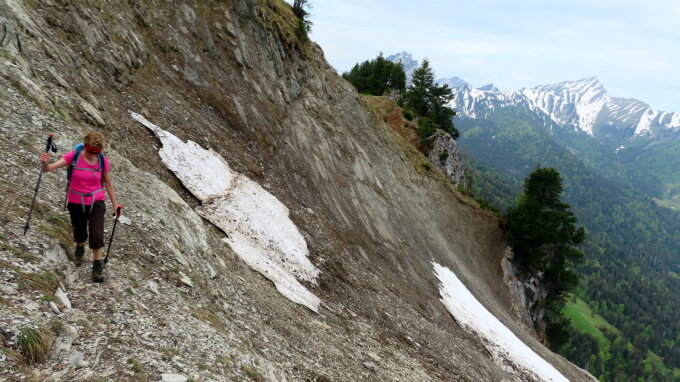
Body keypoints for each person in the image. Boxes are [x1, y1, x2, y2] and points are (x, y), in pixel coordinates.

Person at [40, 132, 119, 282]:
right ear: (84, 146)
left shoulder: (102, 161)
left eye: (96, 152)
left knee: (97, 233)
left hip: (97, 201)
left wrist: (115, 205)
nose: (92, 155)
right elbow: (48, 169)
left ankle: (97, 266)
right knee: (80, 230)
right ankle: (80, 247)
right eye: (90, 151)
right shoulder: (73, 157)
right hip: (76, 200)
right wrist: (44, 163)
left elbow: (107, 183)